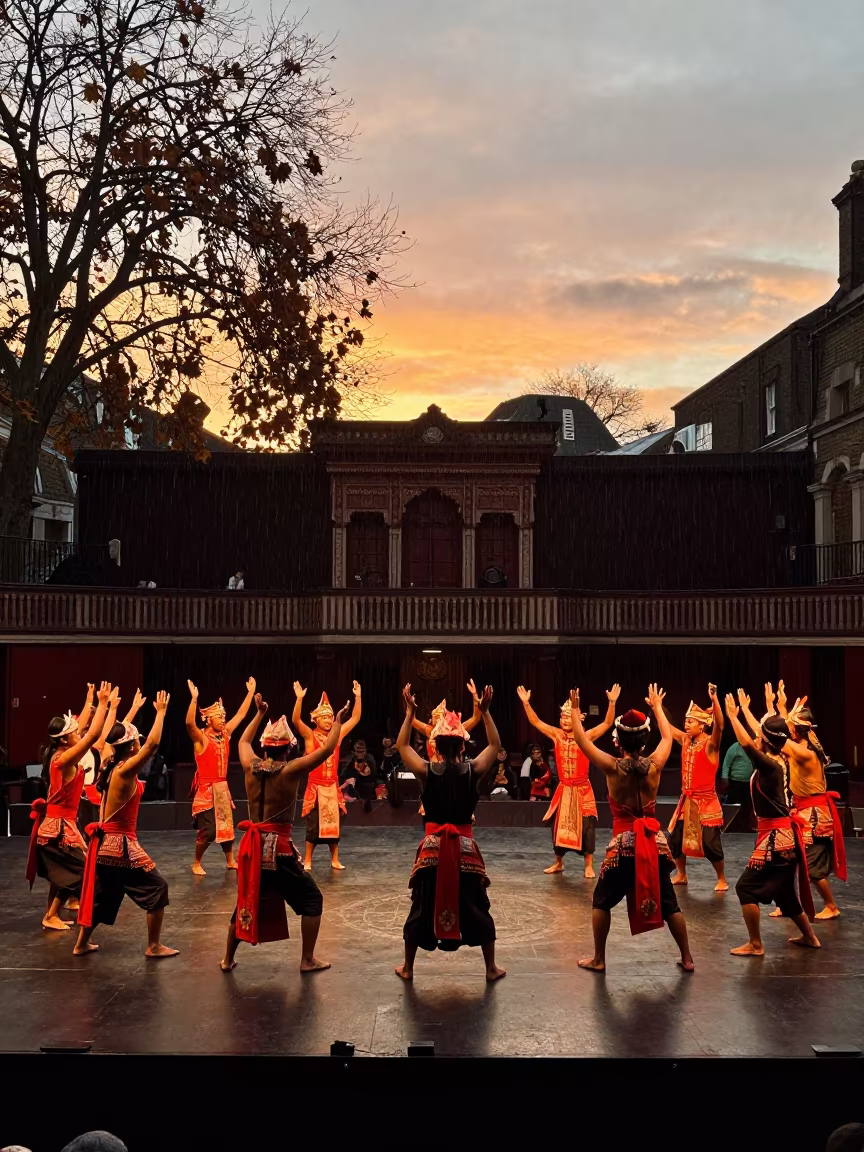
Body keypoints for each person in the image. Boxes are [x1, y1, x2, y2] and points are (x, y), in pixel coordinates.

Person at [221, 697, 351, 973]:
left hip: (252, 847)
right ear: (288, 749)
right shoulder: (290, 770)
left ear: (265, 747)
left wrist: (259, 714)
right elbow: (328, 748)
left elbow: (243, 742)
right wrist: (338, 720)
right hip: (277, 849)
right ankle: (306, 959)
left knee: (246, 899)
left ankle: (227, 958)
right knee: (313, 900)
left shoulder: (250, 766)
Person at [570, 685, 694, 972]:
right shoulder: (656, 764)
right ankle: (687, 957)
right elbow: (667, 736)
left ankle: (599, 959)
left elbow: (582, 741)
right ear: (643, 738)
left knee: (601, 900)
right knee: (669, 903)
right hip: (653, 841)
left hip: (623, 844)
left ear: (619, 740)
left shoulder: (612, 767)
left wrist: (576, 712)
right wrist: (658, 708)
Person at [394, 683, 506, 982]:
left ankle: (408, 967)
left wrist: (410, 713)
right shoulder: (473, 770)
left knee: (421, 904)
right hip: (465, 849)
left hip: (432, 849)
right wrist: (485, 713)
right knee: (477, 905)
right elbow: (495, 745)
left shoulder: (427, 770)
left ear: (436, 746)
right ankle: (490, 968)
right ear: (463, 747)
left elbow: (402, 746)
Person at [74, 692, 178, 959]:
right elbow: (153, 745)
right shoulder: (124, 770)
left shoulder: (109, 764)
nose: (139, 743)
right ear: (132, 746)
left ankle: (81, 943)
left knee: (106, 896)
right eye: (136, 741)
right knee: (158, 888)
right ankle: (154, 945)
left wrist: (122, 709)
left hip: (104, 847)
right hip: (120, 846)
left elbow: (112, 738)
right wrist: (162, 712)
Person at [723, 693, 819, 956]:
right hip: (784, 836)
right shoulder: (779, 760)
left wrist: (734, 715)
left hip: (776, 839)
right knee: (786, 893)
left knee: (745, 888)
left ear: (764, 740)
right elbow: (758, 738)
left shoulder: (770, 767)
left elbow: (747, 745)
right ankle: (810, 937)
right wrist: (749, 709)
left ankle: (755, 944)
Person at [758, 682, 846, 921]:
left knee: (813, 869)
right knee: (790, 862)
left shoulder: (804, 753)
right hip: (803, 811)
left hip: (814, 816)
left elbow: (776, 735)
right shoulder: (808, 740)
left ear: (796, 731)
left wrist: (770, 708)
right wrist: (782, 706)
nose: (788, 730)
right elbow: (784, 729)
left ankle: (831, 905)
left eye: (791, 727)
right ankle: (788, 904)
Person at [26, 682, 111, 930]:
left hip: (59, 824)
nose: (79, 733)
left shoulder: (58, 753)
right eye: (75, 732)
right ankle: (51, 915)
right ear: (64, 739)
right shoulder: (65, 757)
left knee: (62, 873)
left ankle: (51, 914)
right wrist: (103, 704)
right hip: (59, 828)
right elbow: (93, 735)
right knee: (82, 873)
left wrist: (89, 701)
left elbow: (82, 728)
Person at [517, 682, 620, 878]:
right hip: (564, 789)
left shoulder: (586, 736)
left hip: (582, 789)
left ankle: (588, 865)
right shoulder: (557, 735)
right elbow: (536, 722)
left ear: (577, 718)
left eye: (568, 716)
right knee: (558, 826)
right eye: (562, 717)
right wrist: (526, 704)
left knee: (587, 826)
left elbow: (607, 724)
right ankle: (558, 862)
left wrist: (612, 703)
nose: (564, 720)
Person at [186, 677, 256, 875]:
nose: (223, 719)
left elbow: (241, 715)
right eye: (219, 717)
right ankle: (196, 862)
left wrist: (250, 693)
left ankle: (230, 860)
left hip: (222, 789)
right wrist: (194, 699)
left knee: (227, 829)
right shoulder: (201, 738)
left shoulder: (225, 735)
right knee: (209, 831)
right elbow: (189, 723)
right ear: (208, 720)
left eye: (224, 716)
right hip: (207, 791)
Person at [293, 680, 362, 870]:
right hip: (316, 787)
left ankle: (334, 859)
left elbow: (355, 718)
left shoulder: (337, 735)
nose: (328, 720)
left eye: (330, 717)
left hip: (332, 787)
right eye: (323, 717)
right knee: (313, 827)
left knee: (334, 826)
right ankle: (307, 860)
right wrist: (299, 699)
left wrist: (358, 696)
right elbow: (296, 721)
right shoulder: (310, 736)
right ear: (316, 720)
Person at [667, 686, 728, 892]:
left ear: (702, 726)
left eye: (690, 721)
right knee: (675, 839)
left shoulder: (710, 745)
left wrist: (715, 700)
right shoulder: (686, 741)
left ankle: (721, 878)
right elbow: (666, 728)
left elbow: (720, 725)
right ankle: (681, 874)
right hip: (687, 801)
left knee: (710, 844)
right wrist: (657, 706)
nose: (686, 724)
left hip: (706, 802)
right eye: (685, 721)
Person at [412, 682, 482, 764]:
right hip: (435, 771)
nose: (435, 719)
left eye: (438, 716)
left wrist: (475, 696)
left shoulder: (457, 730)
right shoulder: (431, 731)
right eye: (434, 716)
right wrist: (410, 707)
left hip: (456, 769)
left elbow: (476, 718)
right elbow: (412, 720)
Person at [340, 738, 384, 812]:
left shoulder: (369, 759)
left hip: (367, 785)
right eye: (358, 751)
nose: (360, 754)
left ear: (365, 751)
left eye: (362, 751)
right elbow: (344, 774)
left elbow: (372, 774)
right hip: (353, 786)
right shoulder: (351, 759)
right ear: (354, 751)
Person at [720, 737, 755, 828]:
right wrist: (725, 779)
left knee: (748, 807)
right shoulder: (735, 747)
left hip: (750, 783)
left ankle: (746, 827)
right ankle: (732, 826)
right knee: (733, 805)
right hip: (735, 783)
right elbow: (726, 765)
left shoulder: (755, 747)